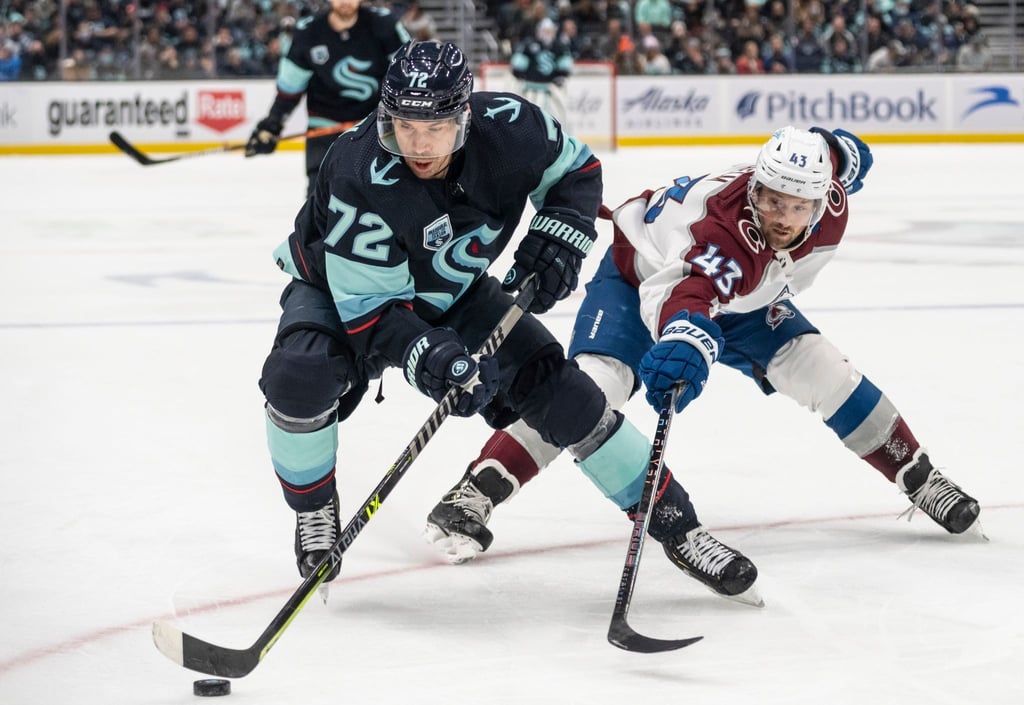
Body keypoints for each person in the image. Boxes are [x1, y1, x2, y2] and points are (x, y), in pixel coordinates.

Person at [257, 40, 757, 603]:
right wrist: (435, 358)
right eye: (403, 126)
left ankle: (678, 526)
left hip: (456, 292)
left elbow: (577, 173)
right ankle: (315, 509)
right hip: (339, 294)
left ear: (464, 117)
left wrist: (562, 236)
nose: (418, 145)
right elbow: (374, 314)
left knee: (569, 399)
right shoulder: (355, 173)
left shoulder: (513, 128)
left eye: (436, 128)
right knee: (298, 377)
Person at [424, 125, 984, 601]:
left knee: (822, 368)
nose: (781, 217)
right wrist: (686, 343)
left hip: (747, 297)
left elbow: (840, 151)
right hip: (640, 279)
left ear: (825, 198)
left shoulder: (829, 196)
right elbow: (687, 293)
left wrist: (845, 149)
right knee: (591, 391)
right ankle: (477, 489)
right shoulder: (721, 231)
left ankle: (919, 475)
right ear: (755, 188)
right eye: (769, 199)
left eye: (796, 205)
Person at [245, 0, 410, 195]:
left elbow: (408, 76)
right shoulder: (309, 31)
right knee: (320, 198)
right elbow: (290, 88)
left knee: (388, 196)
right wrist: (272, 124)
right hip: (324, 130)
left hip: (376, 129)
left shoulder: (383, 24)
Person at [509, 17, 574, 126]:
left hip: (551, 89)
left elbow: (565, 69)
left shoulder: (560, 46)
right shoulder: (529, 44)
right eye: (545, 30)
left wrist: (559, 78)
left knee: (559, 116)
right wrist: (522, 76)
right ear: (539, 31)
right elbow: (517, 68)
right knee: (527, 117)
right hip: (530, 88)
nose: (547, 33)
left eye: (550, 31)